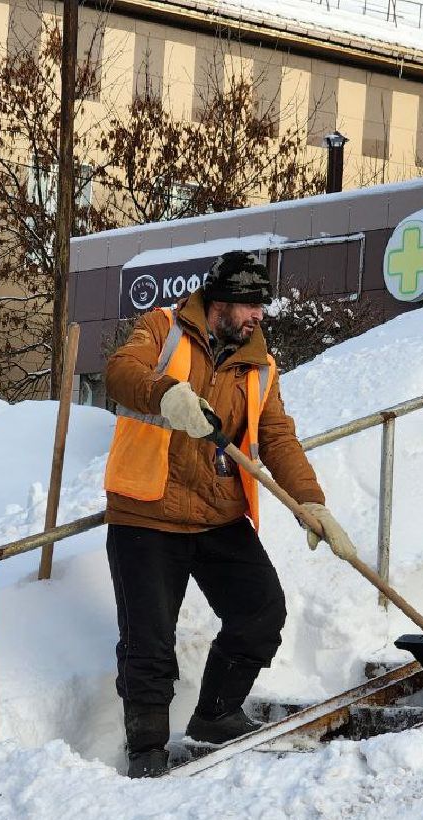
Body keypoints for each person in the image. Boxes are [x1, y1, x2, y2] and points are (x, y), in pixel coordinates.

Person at [102, 250, 356, 778]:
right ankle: (147, 754)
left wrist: (311, 501)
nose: (259, 315)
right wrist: (166, 395)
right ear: (220, 302)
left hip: (218, 514)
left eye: (262, 305)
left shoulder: (260, 366)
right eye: (250, 304)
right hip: (148, 512)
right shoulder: (164, 329)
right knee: (149, 643)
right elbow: (121, 373)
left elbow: (277, 436)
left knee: (261, 611)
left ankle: (216, 715)